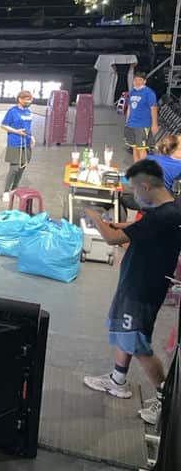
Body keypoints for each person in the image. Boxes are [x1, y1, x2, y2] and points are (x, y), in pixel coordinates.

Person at [82, 159, 181, 424]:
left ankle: (165, 401)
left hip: (142, 290)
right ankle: (117, 380)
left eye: (135, 189)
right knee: (123, 332)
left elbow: (112, 239)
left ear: (145, 187)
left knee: (137, 344)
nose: (134, 195)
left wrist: (94, 217)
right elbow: (139, 229)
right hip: (134, 283)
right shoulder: (168, 209)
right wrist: (118, 224)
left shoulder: (164, 216)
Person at [121, 134, 181, 210]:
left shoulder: (151, 158)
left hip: (132, 197)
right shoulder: (178, 165)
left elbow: (127, 178)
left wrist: (122, 181)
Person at [0, 90, 35, 202]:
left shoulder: (28, 112)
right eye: (27, 99)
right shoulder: (12, 111)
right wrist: (16, 131)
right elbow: (3, 125)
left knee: (22, 167)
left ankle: (14, 189)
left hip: (26, 143)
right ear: (20, 99)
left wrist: (32, 137)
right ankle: (6, 191)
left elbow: (28, 127)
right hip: (15, 142)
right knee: (14, 168)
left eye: (30, 99)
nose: (29, 101)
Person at [124, 70, 158, 162]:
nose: (137, 82)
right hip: (131, 124)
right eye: (135, 80)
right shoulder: (132, 92)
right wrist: (127, 122)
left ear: (144, 81)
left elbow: (154, 109)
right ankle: (137, 167)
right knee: (135, 148)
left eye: (140, 80)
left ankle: (144, 169)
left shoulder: (149, 93)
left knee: (142, 149)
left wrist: (154, 124)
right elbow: (129, 108)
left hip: (143, 125)